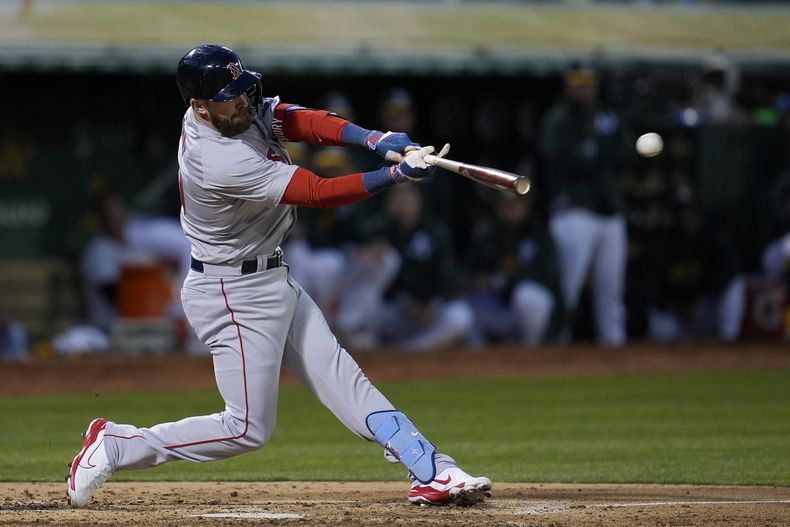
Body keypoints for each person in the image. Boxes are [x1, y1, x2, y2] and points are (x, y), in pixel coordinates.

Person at [66, 44, 490, 508]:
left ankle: (430, 467)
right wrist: (393, 177)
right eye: (231, 96)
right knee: (246, 429)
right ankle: (115, 446)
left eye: (243, 90)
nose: (244, 101)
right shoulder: (217, 157)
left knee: (345, 379)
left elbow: (297, 119)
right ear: (198, 106)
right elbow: (317, 192)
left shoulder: (232, 112)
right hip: (231, 290)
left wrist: (374, 139)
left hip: (271, 276)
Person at [540, 64, 635, 347]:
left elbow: (626, 153)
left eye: (589, 84)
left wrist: (596, 149)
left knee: (611, 292)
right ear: (568, 87)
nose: (585, 90)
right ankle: (556, 345)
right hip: (574, 211)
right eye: (578, 84)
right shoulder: (559, 119)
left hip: (609, 211)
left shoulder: (607, 116)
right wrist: (598, 150)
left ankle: (614, 349)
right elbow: (563, 157)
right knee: (566, 288)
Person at [367, 183, 475, 351]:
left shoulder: (436, 233)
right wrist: (404, 302)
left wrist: (432, 304)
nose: (402, 202)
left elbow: (449, 279)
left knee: (460, 316)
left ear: (419, 199)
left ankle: (412, 352)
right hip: (394, 311)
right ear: (387, 201)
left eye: (408, 196)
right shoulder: (378, 232)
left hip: (427, 312)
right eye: (396, 197)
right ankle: (374, 349)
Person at [464, 192, 561, 347]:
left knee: (527, 296)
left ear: (526, 207)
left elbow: (545, 275)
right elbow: (470, 270)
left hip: (529, 310)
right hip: (500, 308)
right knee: (465, 308)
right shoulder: (490, 233)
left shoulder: (538, 234)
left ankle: (531, 351)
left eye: (515, 205)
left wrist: (500, 280)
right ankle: (478, 359)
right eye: (505, 205)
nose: (510, 210)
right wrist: (476, 281)